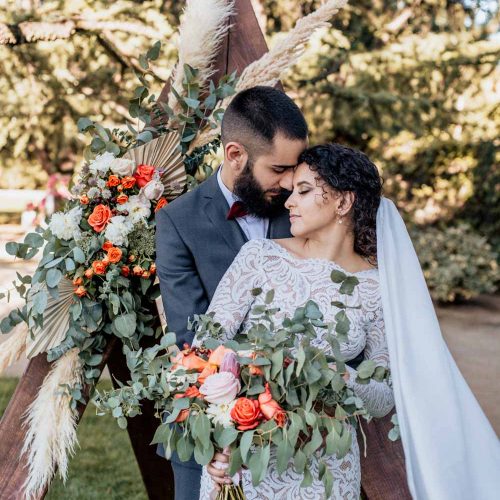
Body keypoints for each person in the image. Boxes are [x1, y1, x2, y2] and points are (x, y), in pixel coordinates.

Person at [200, 144, 500, 499]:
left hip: (328, 465)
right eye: (293, 190)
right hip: (246, 457)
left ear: (343, 202)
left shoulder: (376, 288)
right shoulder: (260, 257)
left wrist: (345, 378)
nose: (288, 202)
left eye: (304, 190)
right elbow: (207, 348)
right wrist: (216, 441)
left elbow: (384, 396)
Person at [155, 85, 308, 500]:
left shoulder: (303, 211)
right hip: (209, 422)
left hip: (295, 434)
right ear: (235, 155)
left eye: (295, 168)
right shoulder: (177, 222)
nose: (291, 182)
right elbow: (192, 338)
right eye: (279, 169)